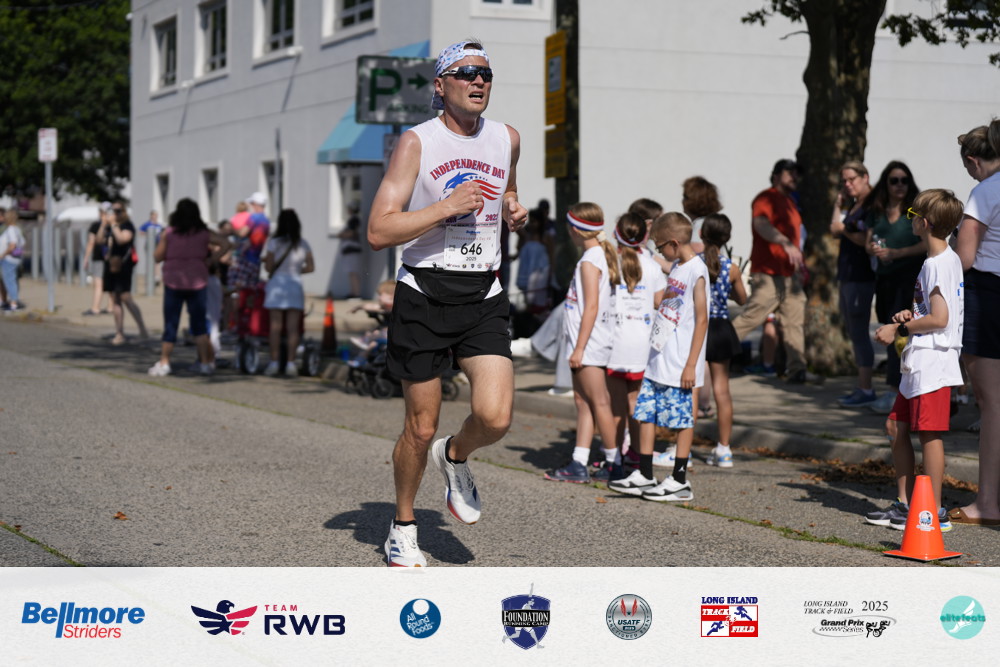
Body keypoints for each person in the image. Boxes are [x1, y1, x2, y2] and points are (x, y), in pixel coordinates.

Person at [367, 39, 528, 567]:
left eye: (486, 73)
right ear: (441, 85)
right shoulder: (417, 142)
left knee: (495, 417)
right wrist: (444, 208)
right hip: (424, 293)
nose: (478, 80)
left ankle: (455, 456)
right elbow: (379, 230)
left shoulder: (507, 138)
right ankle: (403, 525)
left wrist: (511, 207)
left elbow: (507, 188)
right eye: (465, 72)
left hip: (483, 292)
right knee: (420, 427)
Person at [866, 189, 965, 532]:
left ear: (925, 223)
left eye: (912, 214)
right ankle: (905, 504)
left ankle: (933, 511)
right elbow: (932, 311)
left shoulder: (939, 264)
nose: (910, 219)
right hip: (920, 360)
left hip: (933, 362)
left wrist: (899, 327)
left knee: (929, 435)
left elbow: (941, 319)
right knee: (895, 426)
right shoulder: (937, 261)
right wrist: (911, 314)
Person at [609, 212, 708, 500]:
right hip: (658, 357)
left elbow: (702, 319)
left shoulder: (697, 271)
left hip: (680, 361)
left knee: (681, 419)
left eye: (660, 245)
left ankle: (679, 480)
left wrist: (691, 365)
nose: (658, 250)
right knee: (646, 413)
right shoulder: (677, 267)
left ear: (674, 243)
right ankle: (645, 473)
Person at [544, 202, 622, 483]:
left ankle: (614, 463)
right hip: (587, 342)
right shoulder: (597, 255)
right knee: (583, 401)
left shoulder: (590, 261)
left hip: (589, 343)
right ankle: (579, 461)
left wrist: (579, 348)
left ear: (575, 230)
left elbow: (591, 307)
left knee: (599, 402)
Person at [950, 119, 1000, 526]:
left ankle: (987, 502)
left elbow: (964, 259)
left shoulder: (985, 191)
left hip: (987, 295)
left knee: (992, 404)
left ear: (973, 160)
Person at [730, 159, 811, 384]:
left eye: (796, 173)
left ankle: (797, 370)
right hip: (768, 272)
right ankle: (709, 353)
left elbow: (797, 239)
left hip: (790, 275)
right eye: (789, 172)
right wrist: (784, 243)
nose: (794, 177)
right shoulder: (765, 197)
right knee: (752, 318)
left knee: (794, 322)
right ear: (776, 175)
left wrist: (799, 266)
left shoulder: (791, 202)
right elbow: (761, 224)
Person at [604, 211, 666, 475]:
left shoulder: (609, 264)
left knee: (615, 409)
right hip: (642, 347)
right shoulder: (652, 266)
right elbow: (660, 302)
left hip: (614, 345)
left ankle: (615, 460)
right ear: (644, 237)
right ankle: (639, 458)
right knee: (636, 406)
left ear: (616, 234)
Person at [864, 161, 925, 414]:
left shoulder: (914, 210)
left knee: (902, 331)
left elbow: (926, 243)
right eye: (894, 180)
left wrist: (897, 253)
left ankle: (899, 391)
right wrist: (875, 250)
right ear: (885, 184)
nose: (900, 185)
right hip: (885, 279)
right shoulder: (877, 210)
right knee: (888, 329)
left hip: (910, 278)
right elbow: (868, 242)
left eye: (904, 180)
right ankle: (895, 391)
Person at [148, 199, 231, 376]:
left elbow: (157, 257)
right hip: (197, 282)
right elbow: (225, 244)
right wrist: (211, 259)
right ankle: (205, 363)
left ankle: (164, 362)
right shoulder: (203, 233)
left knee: (171, 323)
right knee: (199, 324)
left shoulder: (169, 233)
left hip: (174, 281)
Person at [698, 213, 747, 468]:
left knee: (692, 389)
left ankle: (681, 448)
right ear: (727, 238)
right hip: (721, 328)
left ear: (701, 234)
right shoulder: (732, 268)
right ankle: (724, 449)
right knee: (722, 389)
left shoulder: (692, 263)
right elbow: (742, 299)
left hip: (698, 327)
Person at [830, 161, 877, 407]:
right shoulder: (854, 204)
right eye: (844, 181)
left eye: (852, 179)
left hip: (861, 276)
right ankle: (862, 386)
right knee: (853, 331)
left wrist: (844, 230)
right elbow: (834, 228)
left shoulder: (872, 204)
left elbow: (867, 240)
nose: (848, 185)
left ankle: (866, 388)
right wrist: (838, 205)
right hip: (847, 274)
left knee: (859, 331)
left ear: (865, 177)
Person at [262, 209, 315, 377]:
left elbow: (268, 267)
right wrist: (297, 271)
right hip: (294, 284)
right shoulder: (303, 243)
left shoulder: (274, 242)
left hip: (277, 284)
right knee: (293, 328)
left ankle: (274, 362)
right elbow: (311, 267)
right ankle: (291, 364)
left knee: (275, 327)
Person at [101, 201, 149, 345]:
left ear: (124, 212)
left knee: (126, 298)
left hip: (124, 266)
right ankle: (119, 333)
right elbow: (99, 240)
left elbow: (122, 240)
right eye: (113, 211)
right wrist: (103, 225)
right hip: (111, 266)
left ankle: (143, 330)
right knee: (115, 299)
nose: (115, 214)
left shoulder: (128, 225)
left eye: (118, 211)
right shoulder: (109, 226)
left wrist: (114, 225)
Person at [229, 192, 270, 290]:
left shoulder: (253, 218)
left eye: (251, 203)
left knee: (237, 289)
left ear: (255, 204)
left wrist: (230, 229)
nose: (249, 206)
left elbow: (242, 233)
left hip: (246, 259)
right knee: (251, 291)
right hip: (256, 260)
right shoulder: (266, 220)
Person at [514, 211, 550, 311]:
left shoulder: (546, 237)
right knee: (527, 301)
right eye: (531, 221)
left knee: (539, 302)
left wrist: (551, 274)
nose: (532, 224)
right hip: (526, 272)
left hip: (540, 274)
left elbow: (551, 256)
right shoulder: (526, 236)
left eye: (534, 221)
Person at [82, 205, 112, 316]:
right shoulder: (113, 226)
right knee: (109, 283)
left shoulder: (97, 225)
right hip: (109, 258)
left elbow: (92, 242)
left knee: (98, 283)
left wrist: (86, 258)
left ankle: (95, 308)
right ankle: (110, 307)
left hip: (100, 258)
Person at [682, 176, 723, 255]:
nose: (682, 201)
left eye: (685, 197)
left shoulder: (701, 225)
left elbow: (696, 252)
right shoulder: (710, 223)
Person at [0, 208, 26, 311]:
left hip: (9, 259)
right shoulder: (17, 229)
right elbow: (22, 243)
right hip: (15, 258)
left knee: (9, 281)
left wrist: (2, 255)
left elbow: (12, 245)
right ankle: (11, 302)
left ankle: (14, 303)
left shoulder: (10, 229)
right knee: (10, 280)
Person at [339, 202, 363, 298]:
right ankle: (354, 292)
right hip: (350, 250)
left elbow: (352, 233)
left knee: (353, 272)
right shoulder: (352, 220)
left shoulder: (354, 219)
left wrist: (342, 235)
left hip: (352, 249)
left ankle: (356, 293)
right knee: (351, 273)